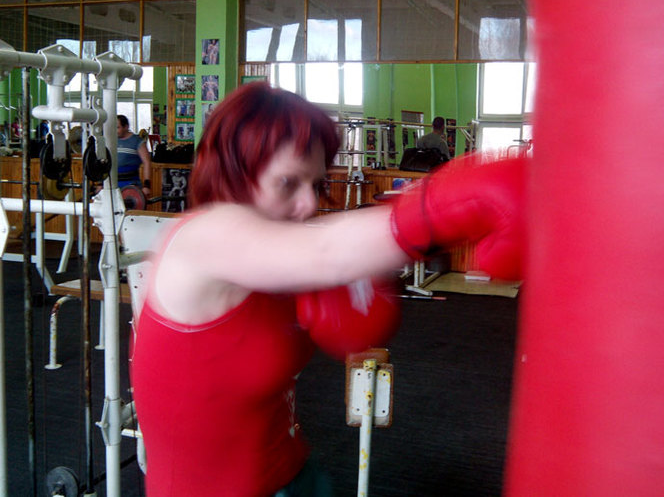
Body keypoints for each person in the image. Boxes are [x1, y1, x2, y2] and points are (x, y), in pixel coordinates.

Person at [130, 82, 527, 496]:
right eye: (288, 182)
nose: (308, 204)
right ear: (235, 174)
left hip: (294, 475)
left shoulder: (273, 260)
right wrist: (450, 205)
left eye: (316, 185)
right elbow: (328, 250)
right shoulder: (201, 238)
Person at [116, 114, 152, 197]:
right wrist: (100, 183)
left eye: (118, 127)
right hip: (113, 185)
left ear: (126, 127)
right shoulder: (111, 140)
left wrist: (147, 185)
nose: (115, 130)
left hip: (131, 184)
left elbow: (147, 163)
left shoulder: (137, 141)